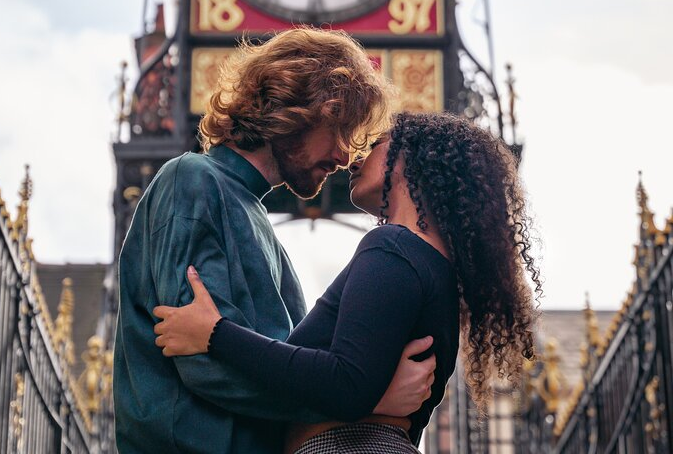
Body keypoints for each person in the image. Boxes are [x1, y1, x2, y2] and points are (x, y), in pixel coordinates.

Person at [114, 28, 438, 454]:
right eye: (338, 130)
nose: (343, 157)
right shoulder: (192, 180)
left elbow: (274, 364)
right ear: (296, 106)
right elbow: (202, 363)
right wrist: (364, 400)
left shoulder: (251, 215)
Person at [153, 112, 542, 453]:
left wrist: (215, 334)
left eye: (374, 144)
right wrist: (375, 399)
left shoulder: (393, 247)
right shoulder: (438, 276)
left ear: (413, 159)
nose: (354, 158)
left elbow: (346, 384)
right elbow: (357, 387)